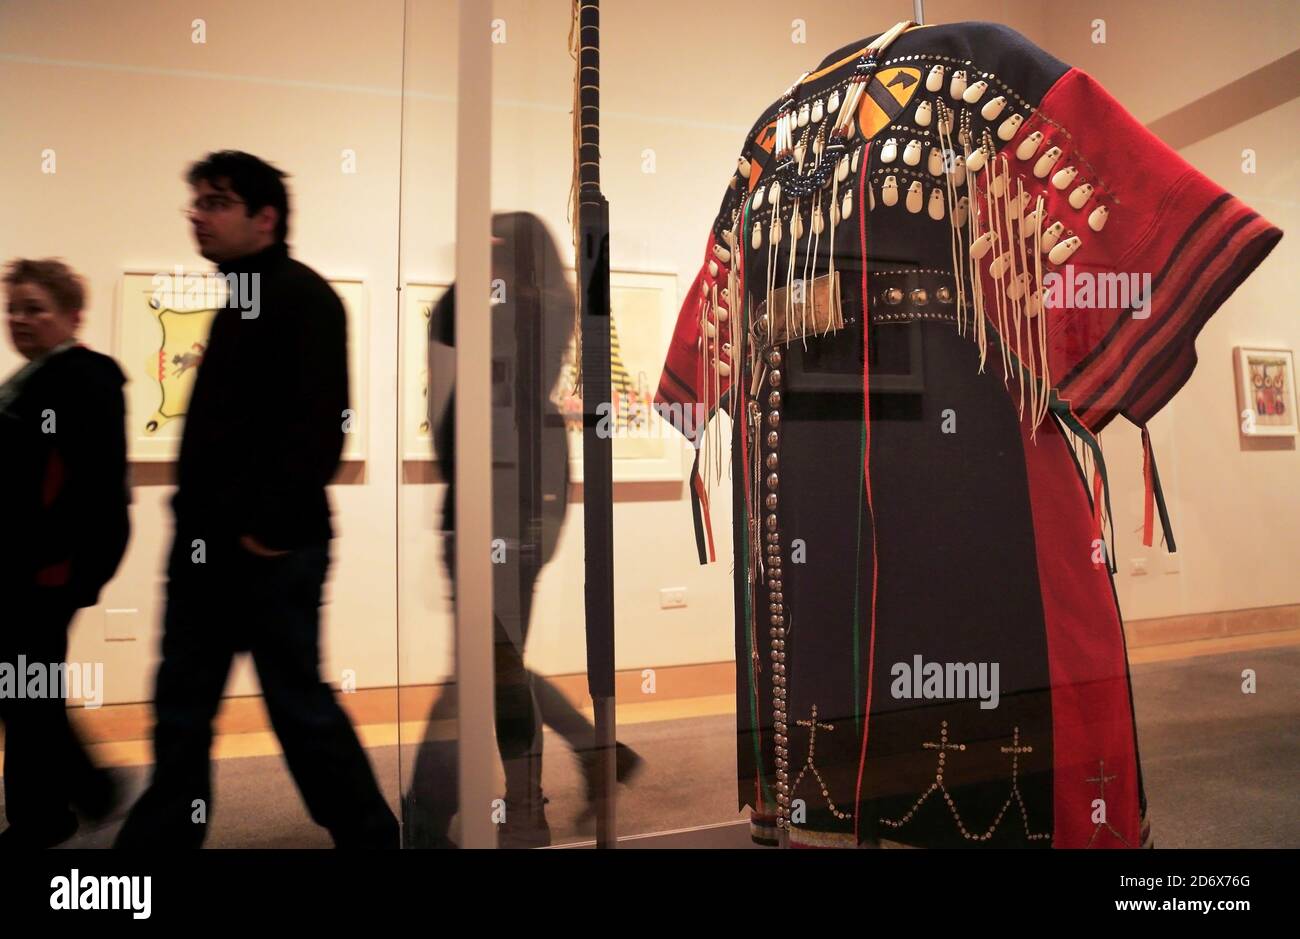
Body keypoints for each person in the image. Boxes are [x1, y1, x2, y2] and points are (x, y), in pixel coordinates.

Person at [115, 151, 398, 848]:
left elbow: (320, 426)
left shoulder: (300, 297)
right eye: (198, 202)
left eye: (215, 202)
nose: (197, 215)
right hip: (213, 551)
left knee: (297, 708)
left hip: (269, 554)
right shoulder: (242, 298)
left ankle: (370, 836)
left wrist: (265, 532)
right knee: (183, 709)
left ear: (263, 218)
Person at [403, 212, 641, 848]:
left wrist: (458, 508)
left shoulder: (467, 306)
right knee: (495, 658)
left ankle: (433, 817)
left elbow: (446, 413)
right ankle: (562, 777)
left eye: (492, 243)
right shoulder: (553, 307)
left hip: (496, 490)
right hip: (539, 484)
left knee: (484, 662)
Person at [0, 258, 129, 847]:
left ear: (72, 316)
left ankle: (55, 811)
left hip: (45, 566)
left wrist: (60, 561)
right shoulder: (33, 379)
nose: (20, 320)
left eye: (34, 308)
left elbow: (92, 485)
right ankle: (63, 803)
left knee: (26, 689)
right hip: (26, 563)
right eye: (13, 309)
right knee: (25, 688)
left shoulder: (83, 377)